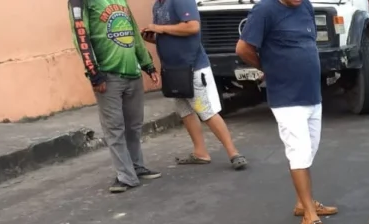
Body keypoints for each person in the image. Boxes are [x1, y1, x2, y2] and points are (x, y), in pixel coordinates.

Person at [236, 0, 338, 224]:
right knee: (299, 152)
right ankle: (309, 216)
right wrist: (269, 68)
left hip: (311, 93)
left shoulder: (305, 6)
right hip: (286, 97)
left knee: (310, 149)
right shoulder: (265, 10)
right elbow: (243, 48)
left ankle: (304, 202)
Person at [68, 0, 163, 193]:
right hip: (108, 76)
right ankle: (126, 176)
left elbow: (134, 33)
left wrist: (148, 65)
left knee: (133, 126)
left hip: (132, 73)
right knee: (115, 128)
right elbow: (81, 35)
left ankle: (136, 166)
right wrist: (94, 73)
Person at [143, 0, 247, 170]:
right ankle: (200, 152)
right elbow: (171, 34)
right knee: (185, 111)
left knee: (205, 110)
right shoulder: (158, 6)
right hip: (173, 70)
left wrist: (160, 28)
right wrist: (154, 37)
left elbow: (192, 27)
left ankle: (233, 153)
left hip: (192, 68)